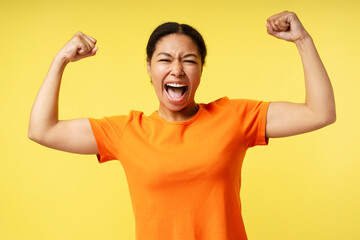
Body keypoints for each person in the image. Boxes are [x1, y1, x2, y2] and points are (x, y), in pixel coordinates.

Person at [28, 11, 336, 240]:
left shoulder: (235, 117)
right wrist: (61, 60)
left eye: (189, 60)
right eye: (165, 60)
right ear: (149, 68)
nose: (177, 69)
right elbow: (42, 130)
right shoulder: (126, 132)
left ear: (201, 69)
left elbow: (319, 112)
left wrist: (303, 41)